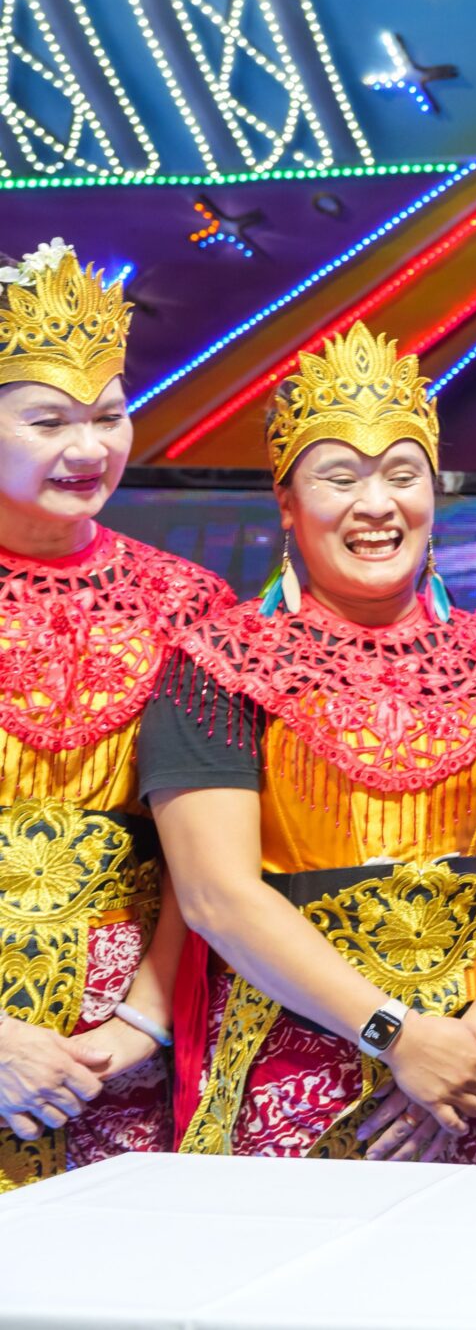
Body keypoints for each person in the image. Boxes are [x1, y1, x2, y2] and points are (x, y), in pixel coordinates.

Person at [141, 324, 476, 1163]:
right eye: (339, 476)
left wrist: (472, 1044)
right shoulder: (218, 661)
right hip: (290, 1064)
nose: (377, 504)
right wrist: (397, 1036)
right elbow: (216, 894)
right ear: (287, 501)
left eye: (402, 473)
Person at [0, 240, 234, 1188]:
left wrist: (143, 1015)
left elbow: (210, 853)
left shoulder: (190, 604)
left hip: (112, 1059)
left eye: (109, 414)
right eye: (49, 419)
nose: (90, 447)